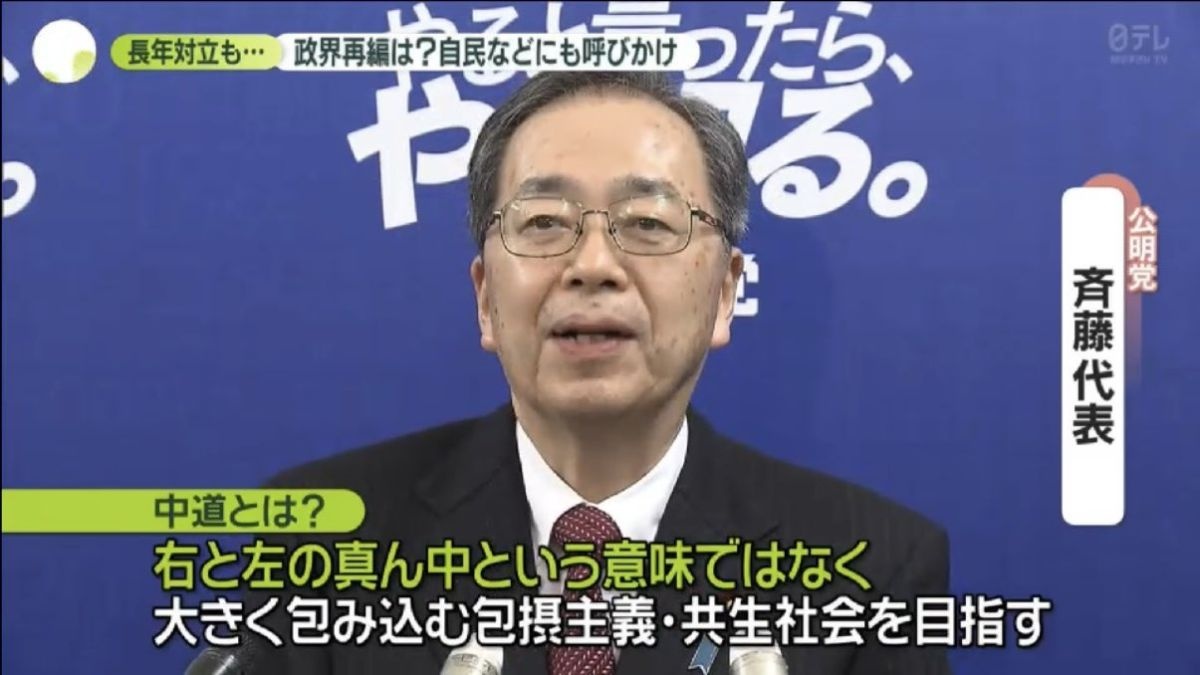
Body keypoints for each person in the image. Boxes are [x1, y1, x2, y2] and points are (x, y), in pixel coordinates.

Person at [245, 71, 951, 675]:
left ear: (724, 294)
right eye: (544, 222)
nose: (592, 265)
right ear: (486, 298)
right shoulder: (320, 540)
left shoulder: (872, 569)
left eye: (648, 223)